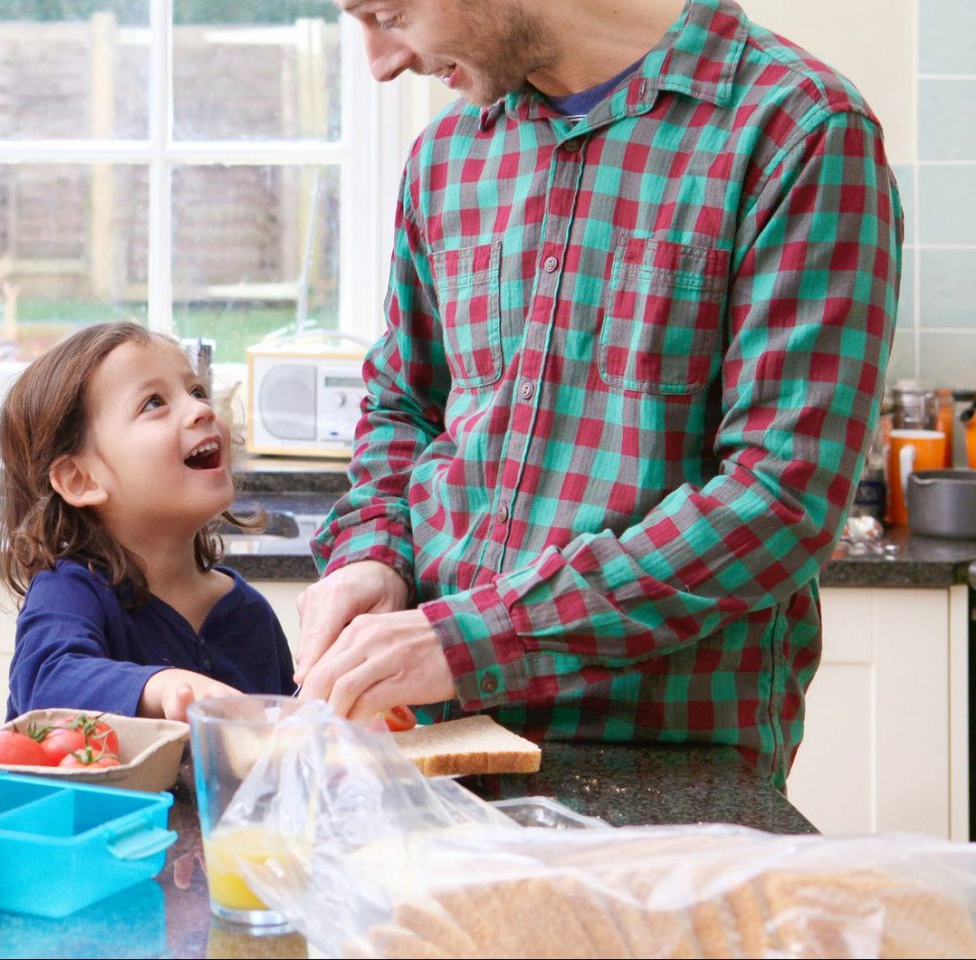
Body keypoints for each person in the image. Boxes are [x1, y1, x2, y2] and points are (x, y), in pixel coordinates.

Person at [297, 0, 902, 782]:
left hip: (661, 764)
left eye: (388, 13)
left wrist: (470, 642)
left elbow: (781, 499)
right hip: (425, 750)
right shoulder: (447, 155)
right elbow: (404, 407)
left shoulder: (798, 130)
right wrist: (371, 556)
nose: (382, 62)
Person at [0, 321, 297, 721]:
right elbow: (46, 683)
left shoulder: (249, 614)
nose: (202, 409)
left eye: (196, 391)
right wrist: (161, 686)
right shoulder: (69, 591)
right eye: (154, 403)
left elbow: (283, 742)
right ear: (81, 480)